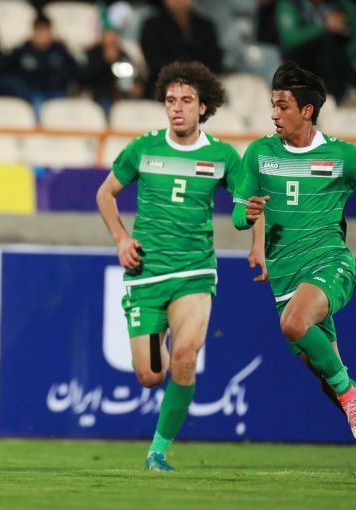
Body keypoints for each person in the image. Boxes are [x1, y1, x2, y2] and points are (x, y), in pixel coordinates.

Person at [96, 61, 265, 471]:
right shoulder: (144, 148)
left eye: (186, 100)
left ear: (203, 107)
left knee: (185, 357)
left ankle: (157, 452)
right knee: (151, 375)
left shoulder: (223, 155)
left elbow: (251, 203)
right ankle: (156, 348)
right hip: (146, 273)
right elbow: (105, 194)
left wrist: (258, 246)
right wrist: (121, 239)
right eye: (171, 100)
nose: (177, 107)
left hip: (195, 272)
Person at [232, 61, 356, 438]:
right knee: (327, 377)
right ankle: (348, 394)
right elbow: (239, 213)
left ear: (307, 110)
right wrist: (247, 214)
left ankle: (351, 394)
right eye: (273, 105)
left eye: (282, 106)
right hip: (285, 279)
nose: (274, 114)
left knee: (294, 324)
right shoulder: (259, 153)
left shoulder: (342, 156)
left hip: (330, 264)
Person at [275, 0, 356, 103]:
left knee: (332, 46)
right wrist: (324, 27)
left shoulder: (341, 5)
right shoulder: (290, 3)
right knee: (325, 44)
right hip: (299, 63)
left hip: (335, 60)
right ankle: (337, 95)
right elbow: (289, 39)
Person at [139, 0, 223, 99]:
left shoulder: (206, 25)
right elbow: (155, 60)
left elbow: (214, 60)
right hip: (163, 83)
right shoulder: (152, 25)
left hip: (203, 84)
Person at [1, 13, 78, 115]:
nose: (41, 35)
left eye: (45, 30)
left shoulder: (60, 51)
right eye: (39, 31)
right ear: (33, 32)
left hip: (56, 91)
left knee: (61, 107)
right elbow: (7, 72)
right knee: (36, 102)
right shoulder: (22, 51)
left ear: (50, 32)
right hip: (30, 93)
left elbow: (74, 71)